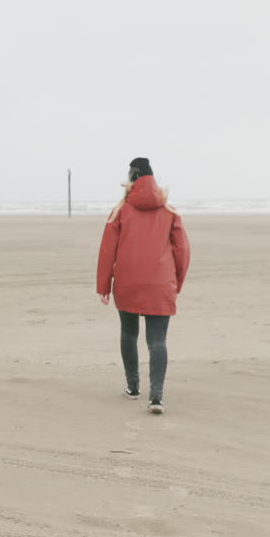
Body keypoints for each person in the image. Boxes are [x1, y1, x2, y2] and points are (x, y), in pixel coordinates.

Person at [96, 158, 191, 414]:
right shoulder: (170, 211)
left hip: (128, 281)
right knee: (157, 339)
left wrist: (103, 285)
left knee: (129, 333)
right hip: (161, 283)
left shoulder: (121, 211)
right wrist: (176, 283)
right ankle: (156, 397)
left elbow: (107, 251)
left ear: (132, 179)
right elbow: (183, 251)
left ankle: (133, 387)